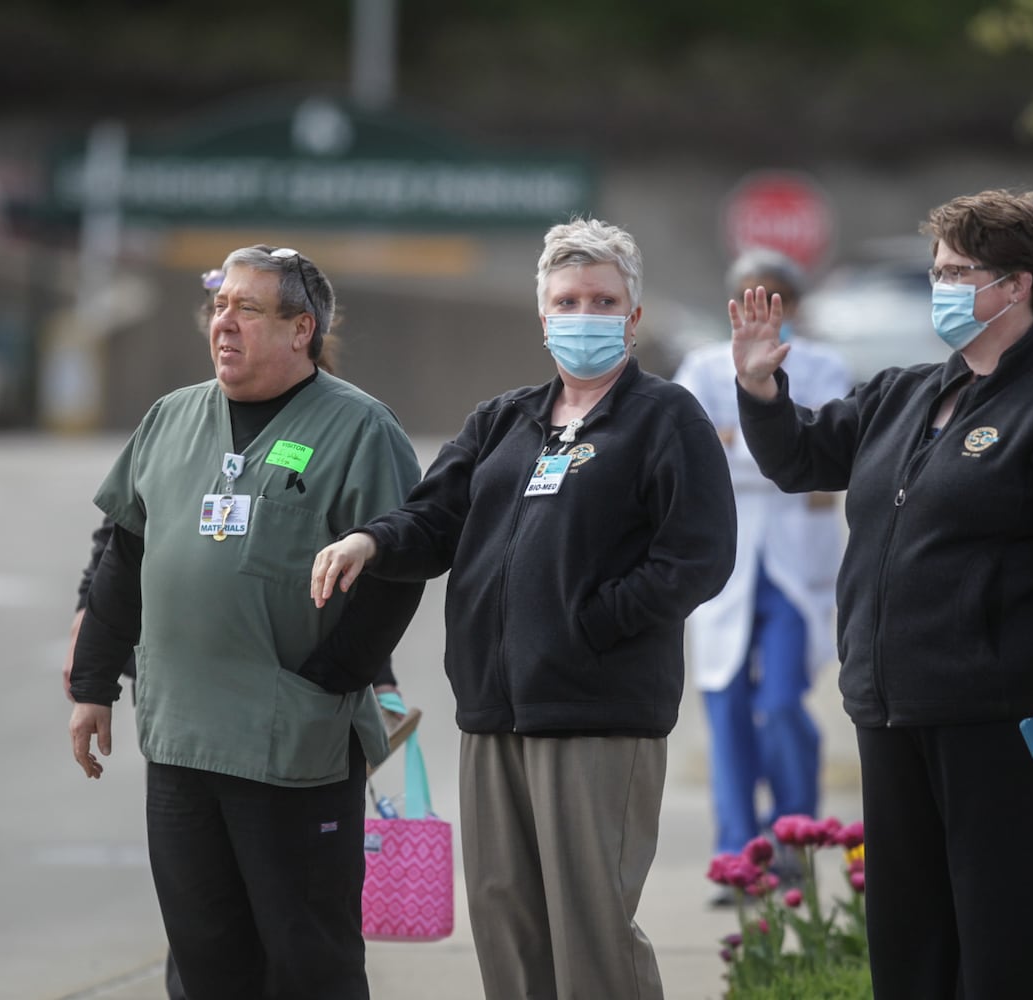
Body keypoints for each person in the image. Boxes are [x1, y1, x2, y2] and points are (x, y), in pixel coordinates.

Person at [731, 190, 1033, 1000]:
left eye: (959, 272)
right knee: (910, 958)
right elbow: (802, 460)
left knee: (1002, 960)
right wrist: (760, 392)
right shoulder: (905, 394)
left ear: (1018, 284)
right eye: (937, 271)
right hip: (895, 714)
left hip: (1006, 721)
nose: (941, 287)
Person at [310, 218, 737, 1000]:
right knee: (506, 923)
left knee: (592, 935)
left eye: (603, 300)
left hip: (597, 714)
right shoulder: (503, 419)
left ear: (633, 317)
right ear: (543, 318)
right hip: (493, 712)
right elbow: (434, 519)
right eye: (568, 301)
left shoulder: (663, 419)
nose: (584, 315)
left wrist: (593, 625)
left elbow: (697, 557)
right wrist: (370, 541)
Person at [66, 244, 424, 1000]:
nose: (224, 323)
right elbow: (124, 554)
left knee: (306, 959)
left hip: (291, 745)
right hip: (182, 742)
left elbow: (396, 574)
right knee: (204, 957)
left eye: (248, 309)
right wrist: (94, 682)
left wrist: (326, 684)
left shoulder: (359, 428)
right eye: (220, 305)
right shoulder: (171, 418)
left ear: (302, 329)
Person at [671, 248, 851, 902]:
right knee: (726, 710)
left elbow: (825, 461)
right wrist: (778, 450)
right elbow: (692, 456)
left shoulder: (826, 365)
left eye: (775, 295)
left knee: (779, 704)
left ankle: (794, 837)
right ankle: (738, 858)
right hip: (724, 560)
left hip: (795, 568)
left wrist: (737, 442)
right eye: (749, 293)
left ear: (795, 305)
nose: (762, 305)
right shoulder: (700, 367)